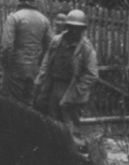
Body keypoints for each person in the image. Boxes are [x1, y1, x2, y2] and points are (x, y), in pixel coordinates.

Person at [34, 9, 98, 139]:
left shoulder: (86, 48)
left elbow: (92, 74)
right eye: (72, 27)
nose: (74, 31)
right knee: (52, 121)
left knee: (72, 126)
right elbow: (46, 63)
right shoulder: (57, 41)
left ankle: (76, 152)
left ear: (82, 29)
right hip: (54, 86)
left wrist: (76, 92)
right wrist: (40, 81)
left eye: (78, 28)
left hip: (72, 89)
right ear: (67, 26)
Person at [0, 0, 52, 104]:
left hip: (15, 67)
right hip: (34, 67)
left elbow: (7, 46)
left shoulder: (14, 18)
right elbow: (50, 46)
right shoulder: (44, 19)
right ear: (34, 0)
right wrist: (39, 62)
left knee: (11, 102)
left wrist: (5, 63)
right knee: (29, 102)